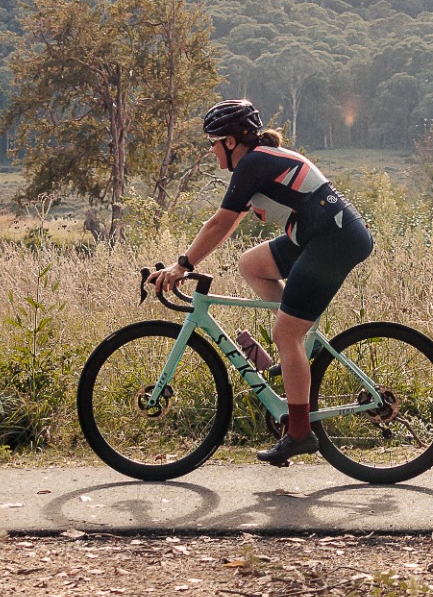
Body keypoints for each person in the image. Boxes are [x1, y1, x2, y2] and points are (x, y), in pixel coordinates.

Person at [154, 99, 376, 466]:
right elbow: (227, 224)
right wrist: (187, 261)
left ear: (230, 142)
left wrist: (183, 265)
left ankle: (300, 432)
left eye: (213, 141)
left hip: (332, 239)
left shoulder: (253, 162)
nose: (210, 150)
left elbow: (219, 224)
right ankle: (301, 352)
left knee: (284, 334)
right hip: (316, 234)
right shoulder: (258, 163)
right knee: (251, 265)